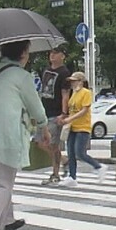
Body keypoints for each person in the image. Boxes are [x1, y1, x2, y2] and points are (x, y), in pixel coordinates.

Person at [0, 40, 49, 230]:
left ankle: (7, 219)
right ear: (23, 53)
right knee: (4, 183)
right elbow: (36, 106)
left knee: (1, 179)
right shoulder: (22, 77)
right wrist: (43, 126)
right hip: (8, 134)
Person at [59, 72, 107, 186]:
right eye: (71, 81)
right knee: (70, 153)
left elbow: (84, 110)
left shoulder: (86, 93)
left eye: (74, 81)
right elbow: (71, 108)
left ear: (81, 81)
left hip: (82, 127)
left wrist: (70, 119)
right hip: (72, 127)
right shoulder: (74, 94)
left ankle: (98, 166)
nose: (72, 83)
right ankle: (72, 176)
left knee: (79, 152)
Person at [37, 45, 71, 185]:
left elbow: (65, 94)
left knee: (53, 143)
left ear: (62, 56)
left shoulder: (64, 73)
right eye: (51, 52)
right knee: (39, 142)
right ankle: (64, 161)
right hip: (44, 111)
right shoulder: (46, 70)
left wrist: (63, 113)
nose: (52, 55)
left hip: (55, 113)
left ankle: (55, 173)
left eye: (56, 53)